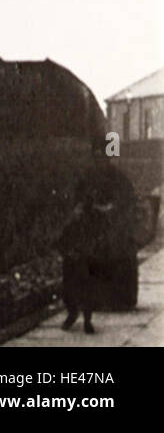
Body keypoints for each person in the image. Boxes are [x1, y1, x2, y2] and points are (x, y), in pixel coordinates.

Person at [58, 139, 138, 333]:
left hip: (109, 226)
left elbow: (126, 200)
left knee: (104, 259)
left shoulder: (118, 177)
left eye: (103, 156)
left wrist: (111, 209)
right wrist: (79, 210)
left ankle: (103, 304)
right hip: (88, 227)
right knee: (76, 266)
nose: (99, 159)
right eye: (96, 156)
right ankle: (74, 309)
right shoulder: (86, 177)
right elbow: (77, 200)